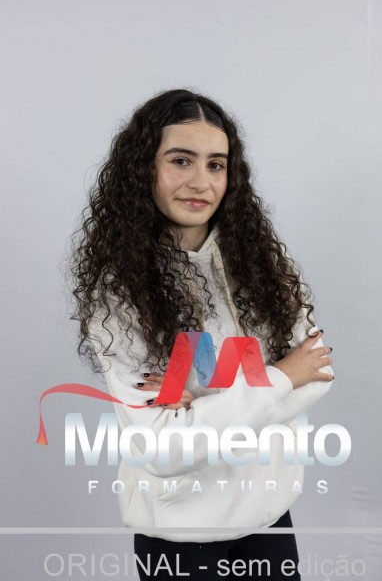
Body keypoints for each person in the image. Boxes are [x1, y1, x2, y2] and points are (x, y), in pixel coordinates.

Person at [69, 88, 334, 580]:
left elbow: (318, 371)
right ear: (143, 169)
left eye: (216, 165)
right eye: (180, 160)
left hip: (270, 520)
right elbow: (163, 449)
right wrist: (279, 378)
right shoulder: (120, 292)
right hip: (181, 538)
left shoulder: (261, 264)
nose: (200, 182)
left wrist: (205, 404)